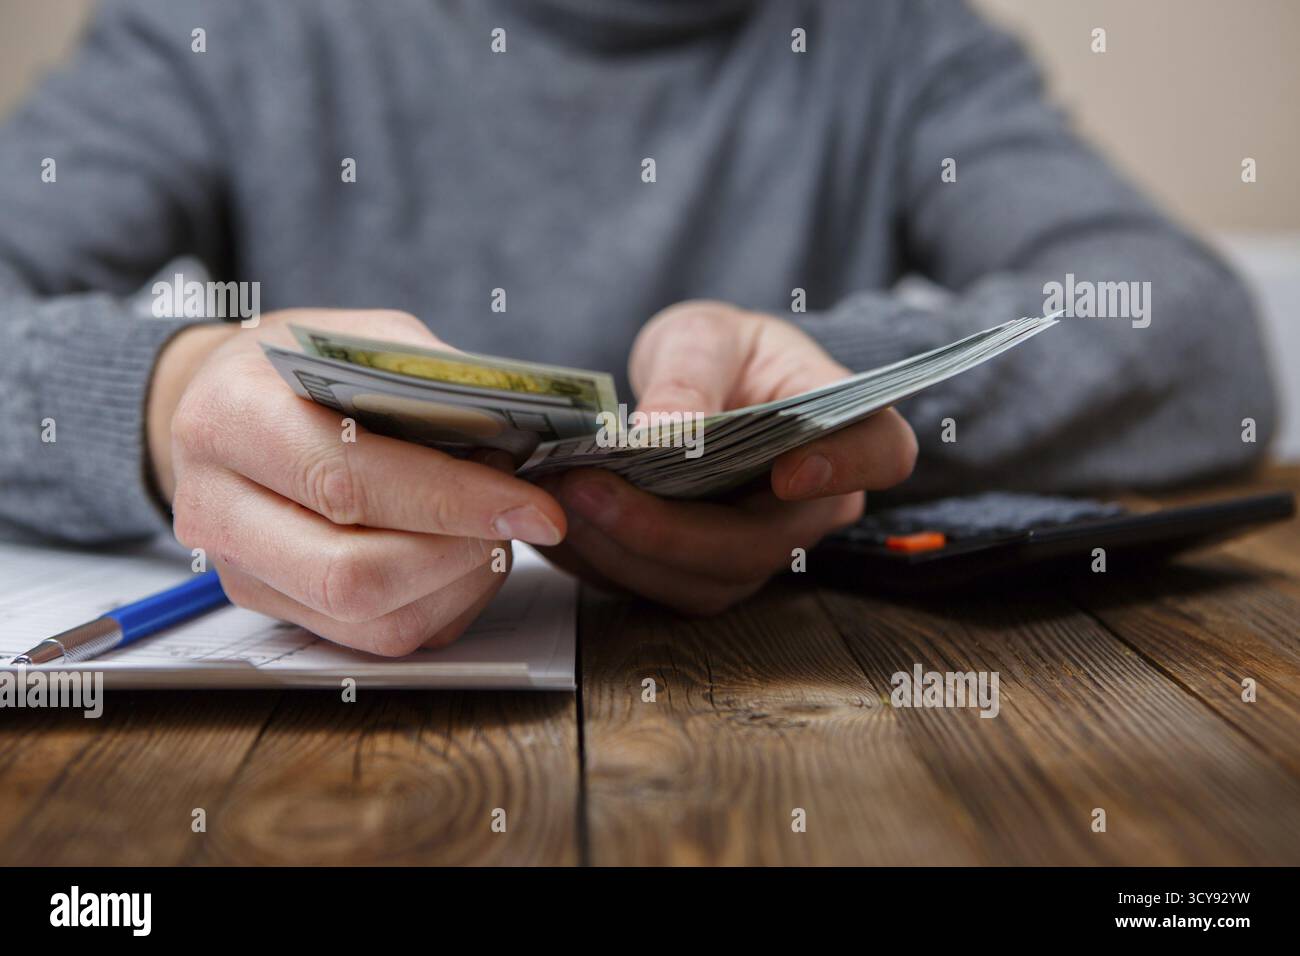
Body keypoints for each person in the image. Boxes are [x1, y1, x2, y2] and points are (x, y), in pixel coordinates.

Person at [0, 0, 1276, 653]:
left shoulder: (891, 37)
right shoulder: (230, 25)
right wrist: (165, 404)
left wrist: (823, 398)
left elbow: (1193, 326)